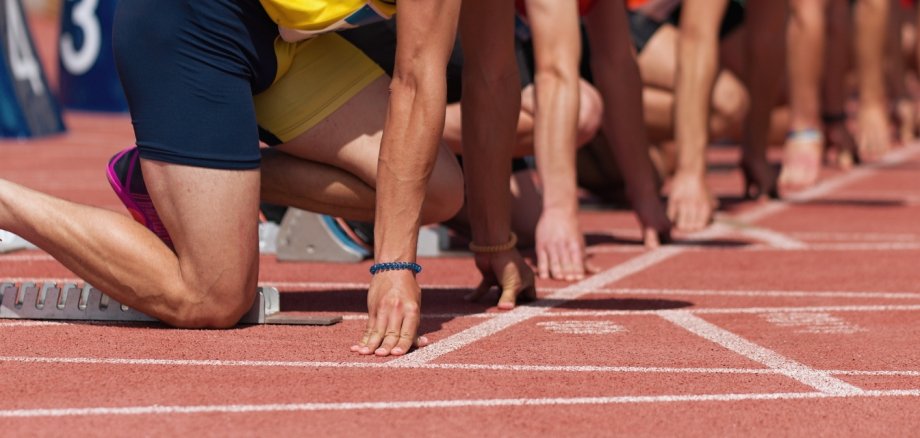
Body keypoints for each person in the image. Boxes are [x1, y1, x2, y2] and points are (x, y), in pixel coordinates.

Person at [0, 0, 531, 357]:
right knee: (211, 298)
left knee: (438, 191)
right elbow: (414, 83)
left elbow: (494, 73)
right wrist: (392, 265)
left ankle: (172, 182)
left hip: (283, 40)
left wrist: (493, 237)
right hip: (193, 19)